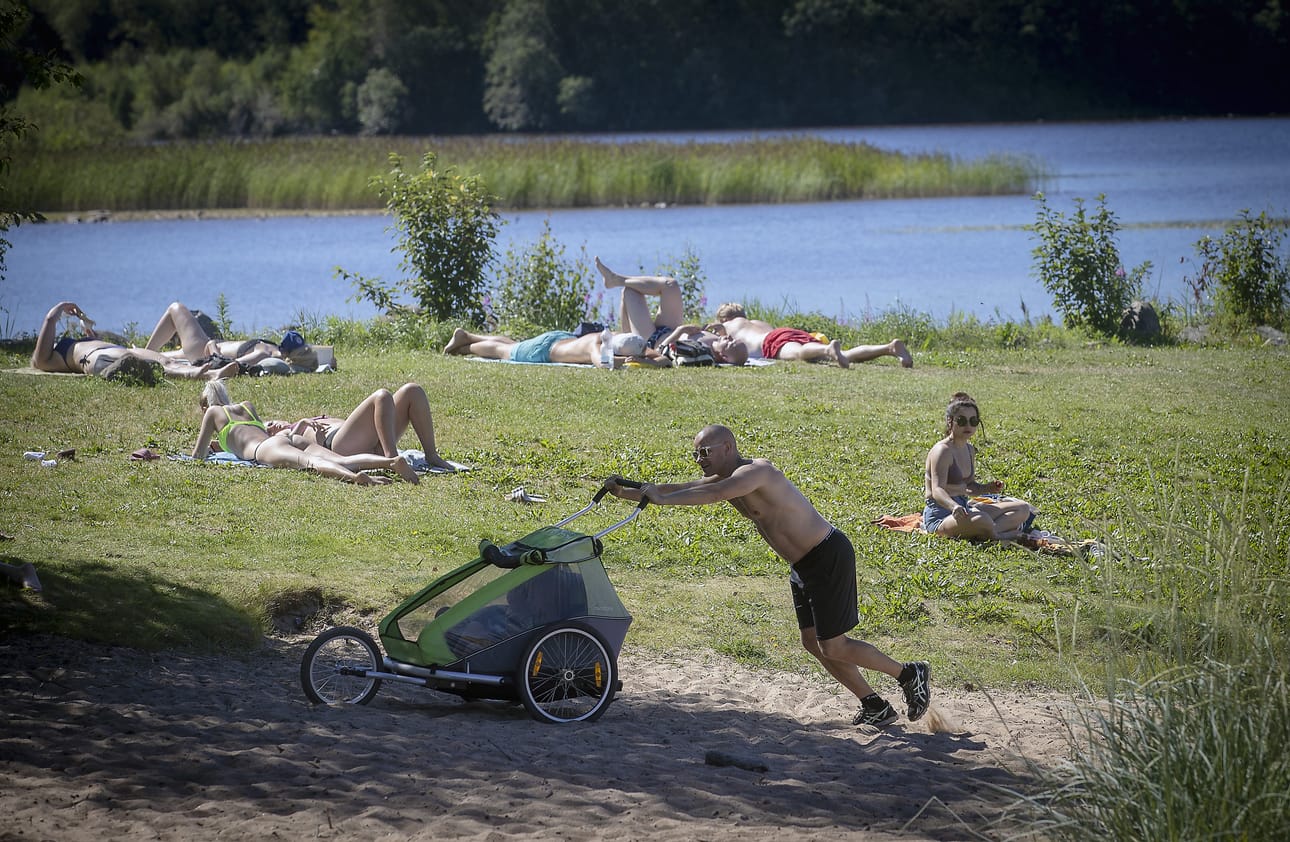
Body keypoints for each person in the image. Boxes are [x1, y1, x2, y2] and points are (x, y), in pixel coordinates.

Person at [603, 424, 931, 727]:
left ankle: (907, 673)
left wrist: (661, 499)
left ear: (728, 447)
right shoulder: (726, 478)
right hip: (802, 566)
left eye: (705, 452)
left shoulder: (756, 472)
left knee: (834, 645)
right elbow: (678, 488)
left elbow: (713, 494)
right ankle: (873, 704)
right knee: (813, 643)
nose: (699, 460)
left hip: (827, 555)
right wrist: (627, 492)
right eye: (695, 454)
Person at [194, 380, 418, 485]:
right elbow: (254, 431)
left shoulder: (213, 413)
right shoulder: (246, 406)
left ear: (206, 404)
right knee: (343, 459)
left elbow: (198, 455)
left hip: (265, 449)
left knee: (309, 463)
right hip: (287, 438)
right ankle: (389, 462)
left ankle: (354, 478)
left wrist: (210, 447)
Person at [265, 383, 459, 472]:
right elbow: (295, 446)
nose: (272, 425)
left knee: (412, 391)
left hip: (368, 439)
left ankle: (431, 455)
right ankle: (392, 458)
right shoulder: (287, 434)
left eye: (272, 421)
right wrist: (300, 425)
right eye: (268, 428)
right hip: (338, 444)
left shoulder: (304, 420)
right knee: (381, 396)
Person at [30, 301, 237, 382]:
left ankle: (212, 374)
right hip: (99, 358)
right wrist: (58, 310)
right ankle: (195, 374)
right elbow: (49, 323)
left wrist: (90, 336)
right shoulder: (50, 359)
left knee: (166, 361)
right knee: (156, 366)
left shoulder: (75, 346)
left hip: (112, 351)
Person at [923, 392, 1035, 541]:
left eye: (973, 421)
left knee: (1022, 508)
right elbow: (937, 490)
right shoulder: (942, 451)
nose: (968, 426)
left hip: (965, 510)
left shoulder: (969, 449)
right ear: (950, 421)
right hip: (941, 516)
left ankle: (989, 533)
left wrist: (987, 488)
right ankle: (997, 535)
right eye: (962, 421)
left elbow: (969, 487)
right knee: (983, 519)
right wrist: (953, 506)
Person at [596, 257, 749, 366]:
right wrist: (721, 332)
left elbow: (661, 353)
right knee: (671, 285)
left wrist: (680, 330)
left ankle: (628, 337)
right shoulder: (718, 344)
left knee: (630, 292)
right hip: (670, 327)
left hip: (652, 339)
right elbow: (724, 343)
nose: (729, 337)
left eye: (730, 343)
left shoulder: (703, 356)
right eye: (733, 338)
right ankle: (616, 279)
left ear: (724, 357)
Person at [713, 302, 913, 368]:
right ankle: (889, 348)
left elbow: (709, 337)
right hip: (785, 332)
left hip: (771, 341)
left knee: (800, 353)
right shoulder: (758, 322)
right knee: (842, 354)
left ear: (723, 318)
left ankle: (828, 348)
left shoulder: (727, 325)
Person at [145, 301, 320, 375]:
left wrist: (212, 346)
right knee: (162, 357)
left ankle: (144, 354)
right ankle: (141, 355)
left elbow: (230, 365)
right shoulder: (271, 351)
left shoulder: (265, 352)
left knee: (176, 308)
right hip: (205, 347)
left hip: (203, 351)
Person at [443, 327, 647, 367]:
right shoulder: (596, 345)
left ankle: (468, 336)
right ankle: (465, 347)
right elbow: (603, 365)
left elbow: (660, 358)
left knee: (515, 345)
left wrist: (649, 361)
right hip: (543, 351)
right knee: (504, 351)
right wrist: (630, 361)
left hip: (559, 338)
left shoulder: (607, 335)